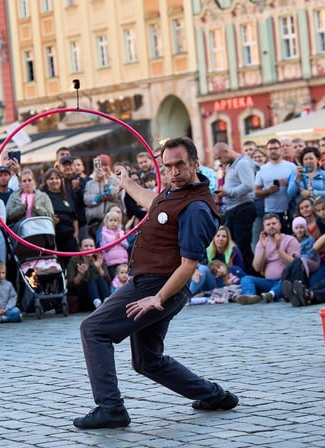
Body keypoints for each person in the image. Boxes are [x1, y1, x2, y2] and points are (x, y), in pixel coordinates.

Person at [74, 137, 237, 430]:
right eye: (169, 166)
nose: (174, 171)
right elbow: (156, 205)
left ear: (195, 165)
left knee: (93, 330)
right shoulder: (175, 194)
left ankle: (110, 408)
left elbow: (189, 265)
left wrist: (157, 297)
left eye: (180, 165)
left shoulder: (196, 208)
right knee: (147, 360)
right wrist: (126, 183)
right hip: (152, 284)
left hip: (156, 286)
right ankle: (215, 396)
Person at [235, 213, 301, 305]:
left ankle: (271, 294)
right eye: (268, 225)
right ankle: (250, 296)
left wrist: (278, 249)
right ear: (264, 228)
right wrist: (263, 249)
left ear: (279, 225)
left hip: (285, 279)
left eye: (274, 223)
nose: (271, 226)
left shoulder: (290, 240)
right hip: (268, 282)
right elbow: (257, 268)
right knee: (246, 279)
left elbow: (295, 264)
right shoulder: (261, 243)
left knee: (286, 281)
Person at [213, 142, 256, 274]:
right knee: (235, 245)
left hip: (242, 209)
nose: (220, 161)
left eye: (220, 157)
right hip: (233, 209)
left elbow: (249, 185)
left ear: (226, 151)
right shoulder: (232, 165)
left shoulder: (242, 163)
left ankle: (248, 276)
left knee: (243, 246)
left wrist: (228, 192)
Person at [253, 139, 297, 229]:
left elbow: (299, 187)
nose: (273, 151)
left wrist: (289, 183)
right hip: (271, 212)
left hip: (291, 209)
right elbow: (256, 192)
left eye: (276, 148)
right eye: (270, 149)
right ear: (267, 151)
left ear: (280, 149)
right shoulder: (262, 169)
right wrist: (269, 191)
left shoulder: (291, 166)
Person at [66, 237, 111, 311]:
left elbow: (108, 281)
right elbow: (70, 286)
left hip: (101, 294)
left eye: (91, 246)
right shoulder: (73, 261)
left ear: (95, 248)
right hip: (83, 297)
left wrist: (99, 268)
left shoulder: (99, 258)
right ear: (80, 248)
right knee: (90, 280)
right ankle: (97, 303)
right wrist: (80, 274)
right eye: (86, 246)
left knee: (99, 278)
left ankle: (106, 301)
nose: (89, 248)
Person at [41, 167, 79, 252]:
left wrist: (76, 234)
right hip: (54, 237)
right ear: (46, 181)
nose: (54, 181)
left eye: (57, 178)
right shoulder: (43, 196)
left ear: (61, 180)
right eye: (51, 179)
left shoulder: (66, 195)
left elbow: (74, 217)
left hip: (70, 237)